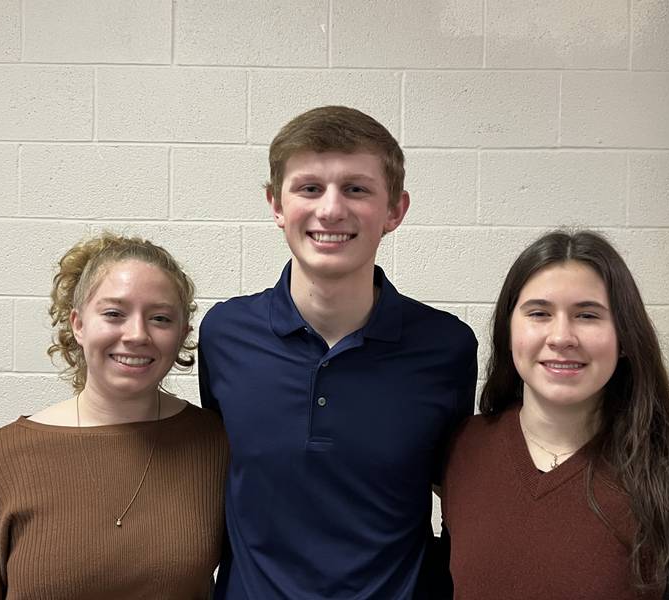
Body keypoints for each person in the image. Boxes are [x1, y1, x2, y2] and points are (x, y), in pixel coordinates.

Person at [199, 105, 477, 599]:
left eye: (356, 188)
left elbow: (456, 492)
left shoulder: (446, 347)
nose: (330, 209)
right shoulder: (225, 334)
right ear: (276, 204)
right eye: (310, 188)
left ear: (395, 210)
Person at [443, 230, 669, 600]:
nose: (561, 337)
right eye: (539, 313)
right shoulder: (464, 448)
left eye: (587, 315)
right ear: (509, 329)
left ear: (624, 337)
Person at [0, 233, 229, 599]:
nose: (136, 334)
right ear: (78, 324)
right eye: (114, 314)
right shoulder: (2, 459)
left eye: (160, 318)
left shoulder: (216, 445)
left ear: (182, 334)